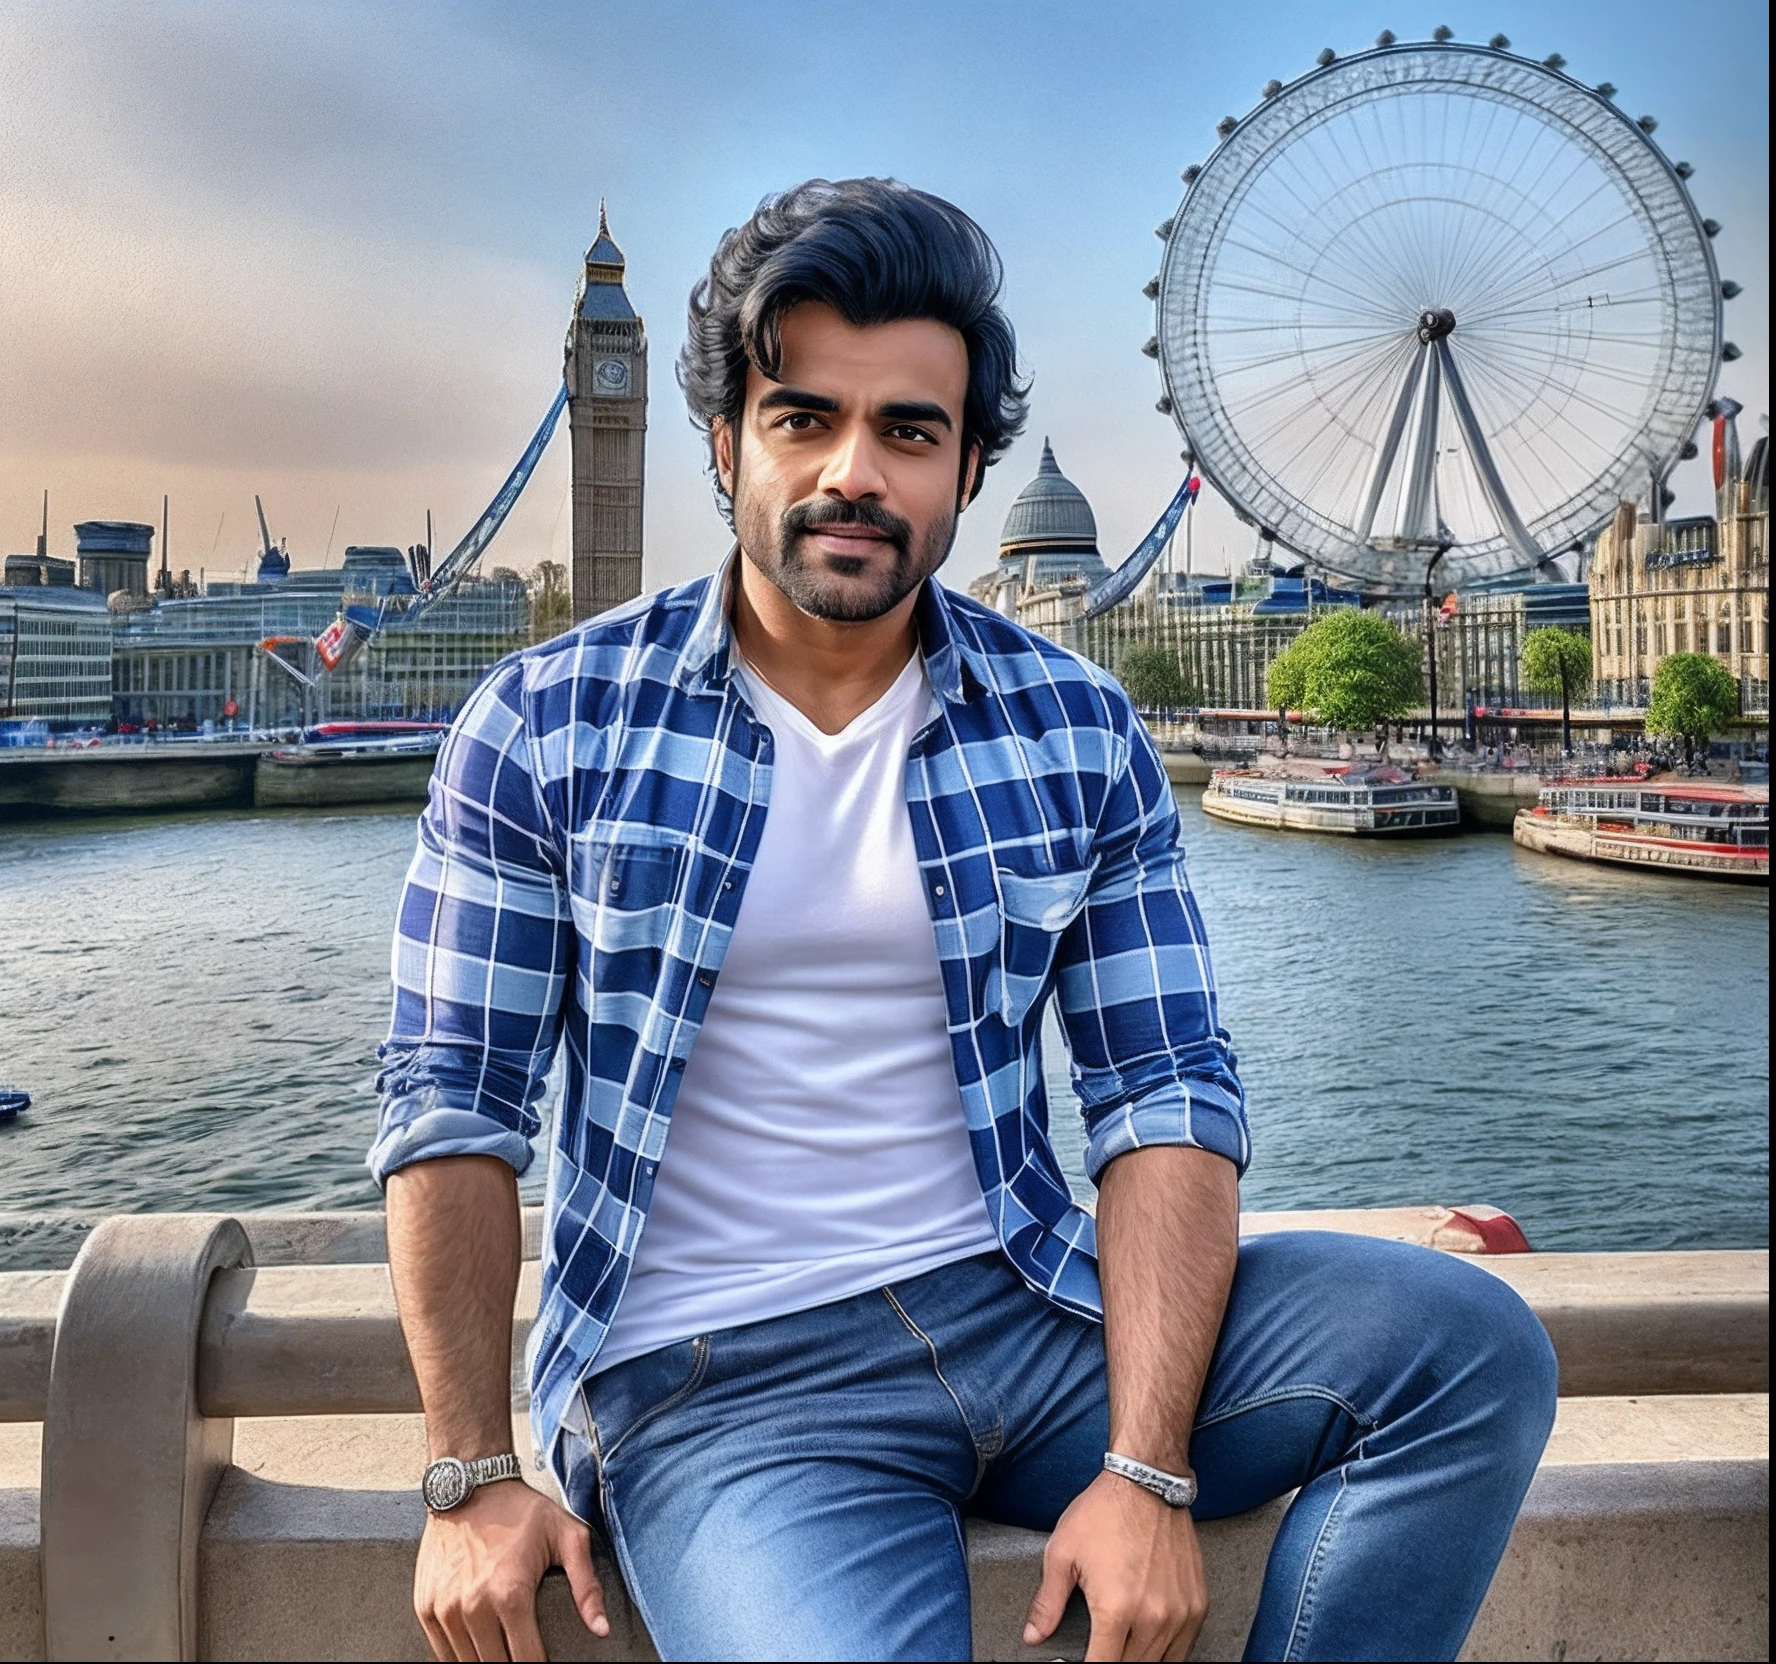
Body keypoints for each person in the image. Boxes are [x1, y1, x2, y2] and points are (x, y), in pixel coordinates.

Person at [371, 178, 1556, 1664]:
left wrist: (1145, 1467)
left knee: (1470, 1352)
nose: (852, 471)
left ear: (970, 467)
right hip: (726, 1385)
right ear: (728, 442)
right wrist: (473, 1473)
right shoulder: (544, 727)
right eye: (805, 418)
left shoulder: (1077, 724)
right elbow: (453, 1107)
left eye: (909, 431)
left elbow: (1162, 1090)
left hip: (1030, 1304)